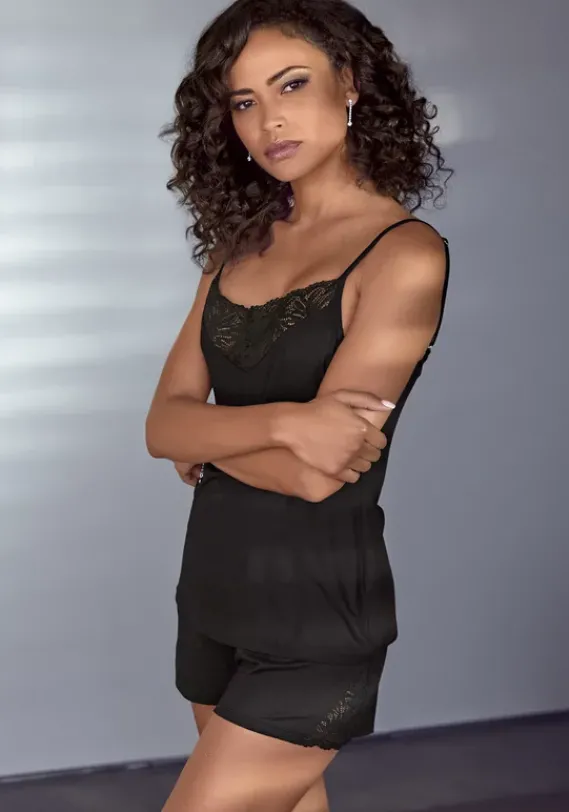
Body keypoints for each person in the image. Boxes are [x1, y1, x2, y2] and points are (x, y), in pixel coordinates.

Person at [146, 0, 452, 809]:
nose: (267, 121)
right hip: (211, 594)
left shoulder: (404, 254)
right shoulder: (236, 247)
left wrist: (210, 441)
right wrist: (288, 423)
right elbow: (160, 425)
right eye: (243, 101)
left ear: (348, 83)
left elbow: (318, 477)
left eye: (290, 85)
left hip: (317, 618)